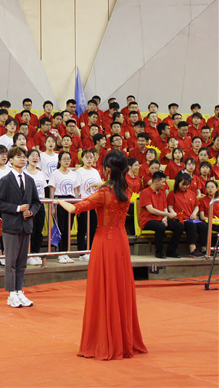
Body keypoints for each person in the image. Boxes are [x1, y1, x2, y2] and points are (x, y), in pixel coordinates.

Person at [56, 150, 148, 360]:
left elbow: (75, 209)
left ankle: (105, 340)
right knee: (120, 288)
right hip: (121, 242)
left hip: (104, 243)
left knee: (103, 288)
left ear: (106, 169)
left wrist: (59, 201)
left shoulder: (104, 194)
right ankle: (122, 338)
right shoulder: (126, 189)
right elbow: (114, 188)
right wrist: (103, 184)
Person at [0, 147, 42, 308]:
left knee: (22, 262)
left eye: (24, 157)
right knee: (11, 261)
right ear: (10, 160)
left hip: (26, 225)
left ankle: (20, 291)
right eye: (18, 157)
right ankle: (11, 293)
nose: (22, 159)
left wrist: (31, 211)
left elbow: (36, 202)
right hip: (11, 226)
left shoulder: (29, 180)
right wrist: (17, 208)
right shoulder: (6, 180)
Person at [139, 171, 184, 258]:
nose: (164, 184)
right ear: (156, 181)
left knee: (179, 226)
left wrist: (165, 219)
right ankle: (159, 252)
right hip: (148, 220)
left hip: (160, 219)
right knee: (160, 227)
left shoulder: (162, 193)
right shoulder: (145, 192)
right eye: (163, 182)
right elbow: (151, 210)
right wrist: (167, 214)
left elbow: (165, 208)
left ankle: (171, 251)